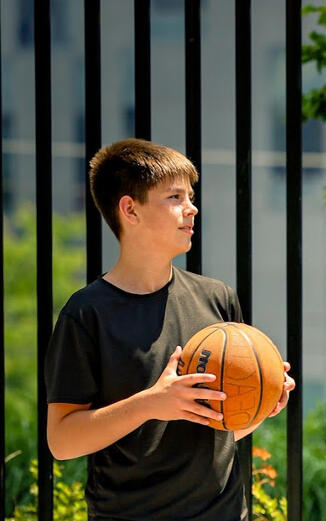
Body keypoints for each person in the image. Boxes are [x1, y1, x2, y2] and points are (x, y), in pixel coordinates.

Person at [45, 138, 295, 521]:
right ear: (130, 209)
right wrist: (151, 403)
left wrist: (261, 401)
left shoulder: (217, 298)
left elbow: (218, 430)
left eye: (190, 197)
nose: (191, 208)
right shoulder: (86, 314)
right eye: (175, 197)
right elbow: (62, 441)